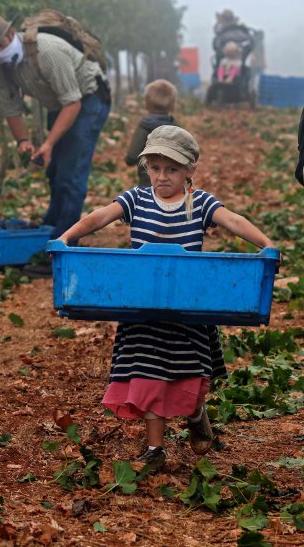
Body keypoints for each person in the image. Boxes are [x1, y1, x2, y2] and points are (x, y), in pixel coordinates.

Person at [57, 126, 275, 472]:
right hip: (144, 310)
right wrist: (67, 238)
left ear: (189, 170)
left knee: (188, 377)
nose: (161, 177)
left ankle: (196, 414)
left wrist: (266, 245)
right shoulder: (136, 199)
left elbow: (232, 220)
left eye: (171, 170)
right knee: (146, 376)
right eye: (155, 169)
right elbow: (100, 215)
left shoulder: (199, 204)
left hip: (186, 311)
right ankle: (155, 449)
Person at [0, 9, 112, 270]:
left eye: (0, 45)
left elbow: (73, 103)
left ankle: (63, 248)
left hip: (88, 99)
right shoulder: (1, 69)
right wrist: (23, 141)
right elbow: (11, 109)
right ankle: (52, 227)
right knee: (55, 170)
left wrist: (48, 143)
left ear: (12, 34)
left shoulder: (47, 52)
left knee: (71, 173)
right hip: (60, 103)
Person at [125, 79, 178, 187]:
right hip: (173, 182)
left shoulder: (144, 127)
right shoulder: (176, 128)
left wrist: (129, 160)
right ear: (172, 106)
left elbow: (132, 156)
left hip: (148, 181)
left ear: (146, 104)